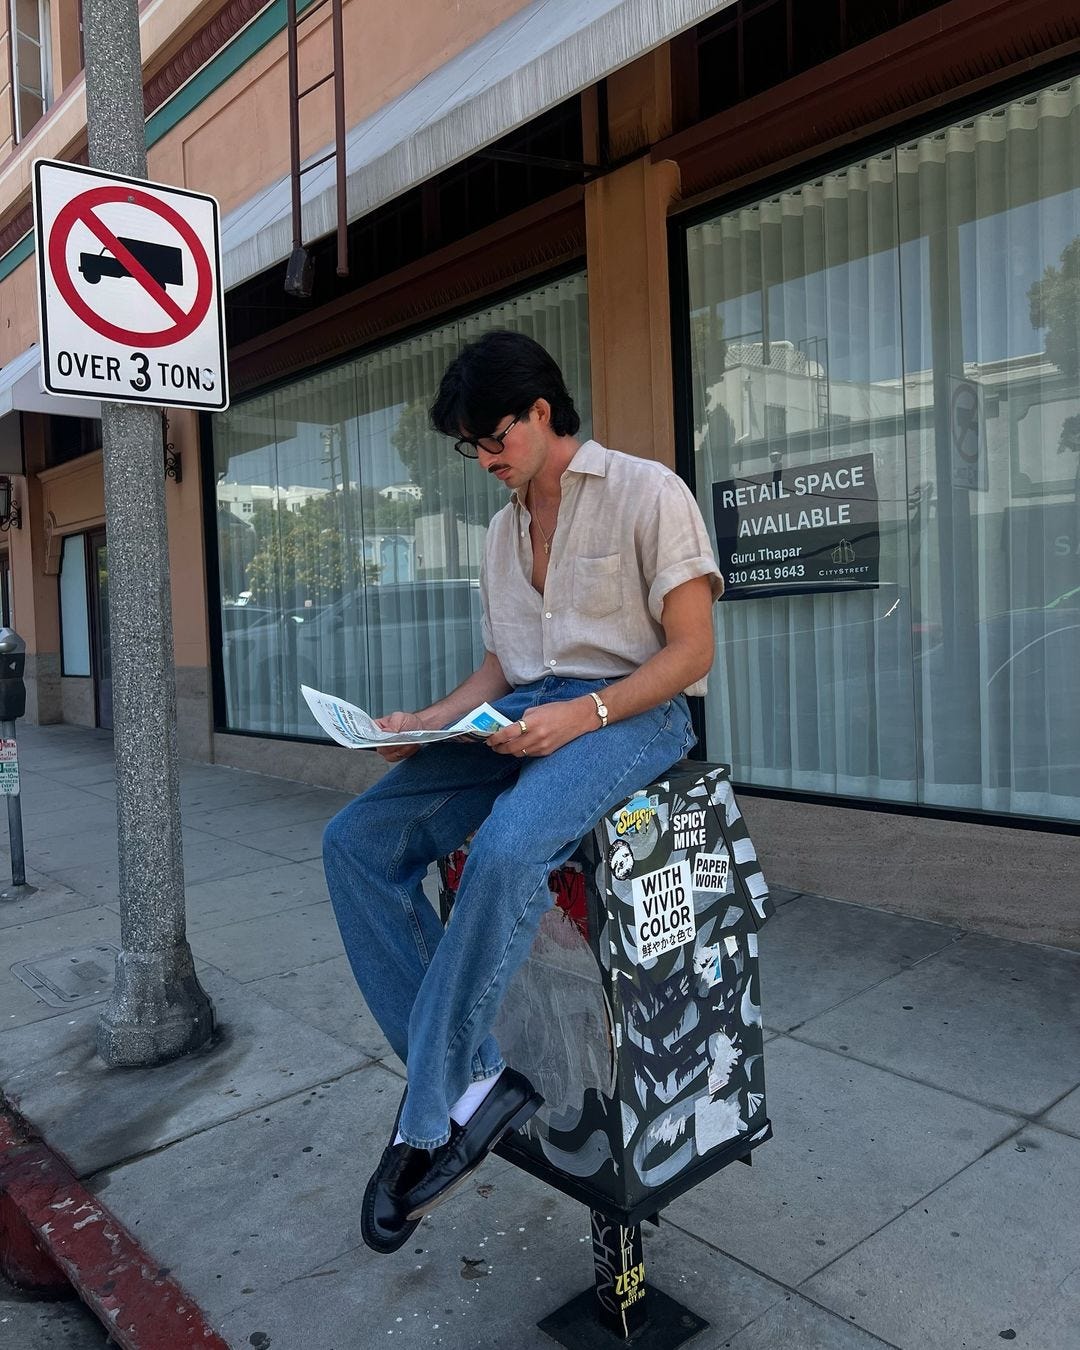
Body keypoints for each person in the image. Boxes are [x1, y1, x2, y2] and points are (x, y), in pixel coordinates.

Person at [322, 330, 722, 1255]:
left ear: (542, 411)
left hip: (634, 715)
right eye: (471, 447)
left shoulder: (645, 491)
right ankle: (474, 1081)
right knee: (354, 844)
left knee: (507, 849)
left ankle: (430, 1118)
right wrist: (422, 723)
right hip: (529, 712)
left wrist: (581, 716)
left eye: (493, 437)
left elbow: (693, 653)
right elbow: (505, 666)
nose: (485, 460)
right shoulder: (503, 531)